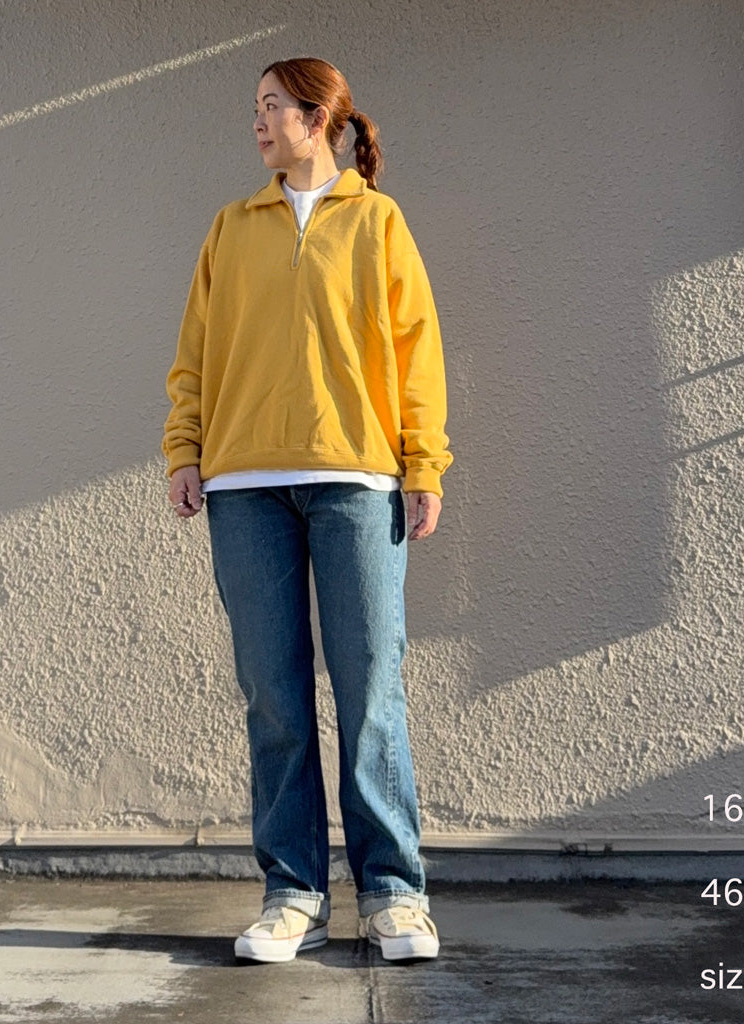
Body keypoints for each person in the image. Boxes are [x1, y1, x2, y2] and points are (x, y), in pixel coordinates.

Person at [162, 56, 452, 963]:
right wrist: (185, 449)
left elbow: (416, 348)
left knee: (371, 689)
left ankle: (394, 895)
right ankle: (294, 895)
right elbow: (194, 352)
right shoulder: (231, 226)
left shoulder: (377, 220)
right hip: (244, 488)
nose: (257, 122)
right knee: (273, 697)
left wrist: (423, 462)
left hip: (358, 481)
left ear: (318, 117)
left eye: (272, 106)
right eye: (255, 107)